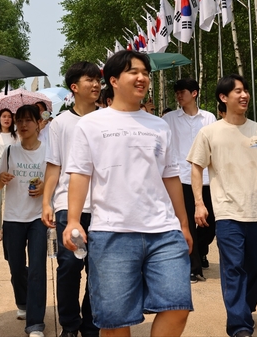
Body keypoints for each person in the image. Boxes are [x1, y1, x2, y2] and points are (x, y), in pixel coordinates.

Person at [63, 50, 193, 337]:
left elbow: (170, 177)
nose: (142, 77)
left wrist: (183, 224)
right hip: (112, 233)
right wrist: (73, 220)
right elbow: (80, 174)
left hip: (164, 231)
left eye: (145, 72)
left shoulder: (159, 125)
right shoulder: (91, 124)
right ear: (114, 80)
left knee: (177, 305)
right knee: (114, 319)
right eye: (134, 71)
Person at [188, 74, 257, 337]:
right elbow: (197, 168)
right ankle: (239, 325)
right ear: (224, 97)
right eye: (238, 92)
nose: (244, 96)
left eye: (246, 91)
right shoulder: (209, 132)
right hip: (227, 212)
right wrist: (199, 203)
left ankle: (244, 306)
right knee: (233, 267)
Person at [41, 61, 102, 337]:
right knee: (69, 265)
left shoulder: (107, 119)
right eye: (89, 80)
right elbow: (53, 165)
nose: (96, 84)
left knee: (98, 270)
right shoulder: (61, 123)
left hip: (103, 209)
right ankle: (69, 324)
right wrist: (47, 202)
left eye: (98, 79)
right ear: (74, 87)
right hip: (69, 207)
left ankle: (90, 324)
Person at [0, 105, 47, 337]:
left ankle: (35, 323)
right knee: (16, 266)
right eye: (20, 121)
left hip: (38, 217)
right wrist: (1, 178)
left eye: (28, 120)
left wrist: (46, 187)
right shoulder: (10, 151)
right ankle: (24, 303)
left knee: (37, 268)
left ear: (39, 123)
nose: (23, 125)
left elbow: (57, 182)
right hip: (13, 217)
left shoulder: (48, 151)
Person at [162, 78, 216, 283]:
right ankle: (193, 268)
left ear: (194, 93)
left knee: (211, 226)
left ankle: (201, 248)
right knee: (189, 224)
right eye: (176, 92)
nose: (178, 95)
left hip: (207, 179)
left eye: (182, 91)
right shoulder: (170, 120)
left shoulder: (209, 118)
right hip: (181, 178)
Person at [0, 108, 17, 242]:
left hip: (10, 169)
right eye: (3, 116)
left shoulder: (16, 136)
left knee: (10, 199)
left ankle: (9, 227)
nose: (6, 119)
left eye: (9, 117)